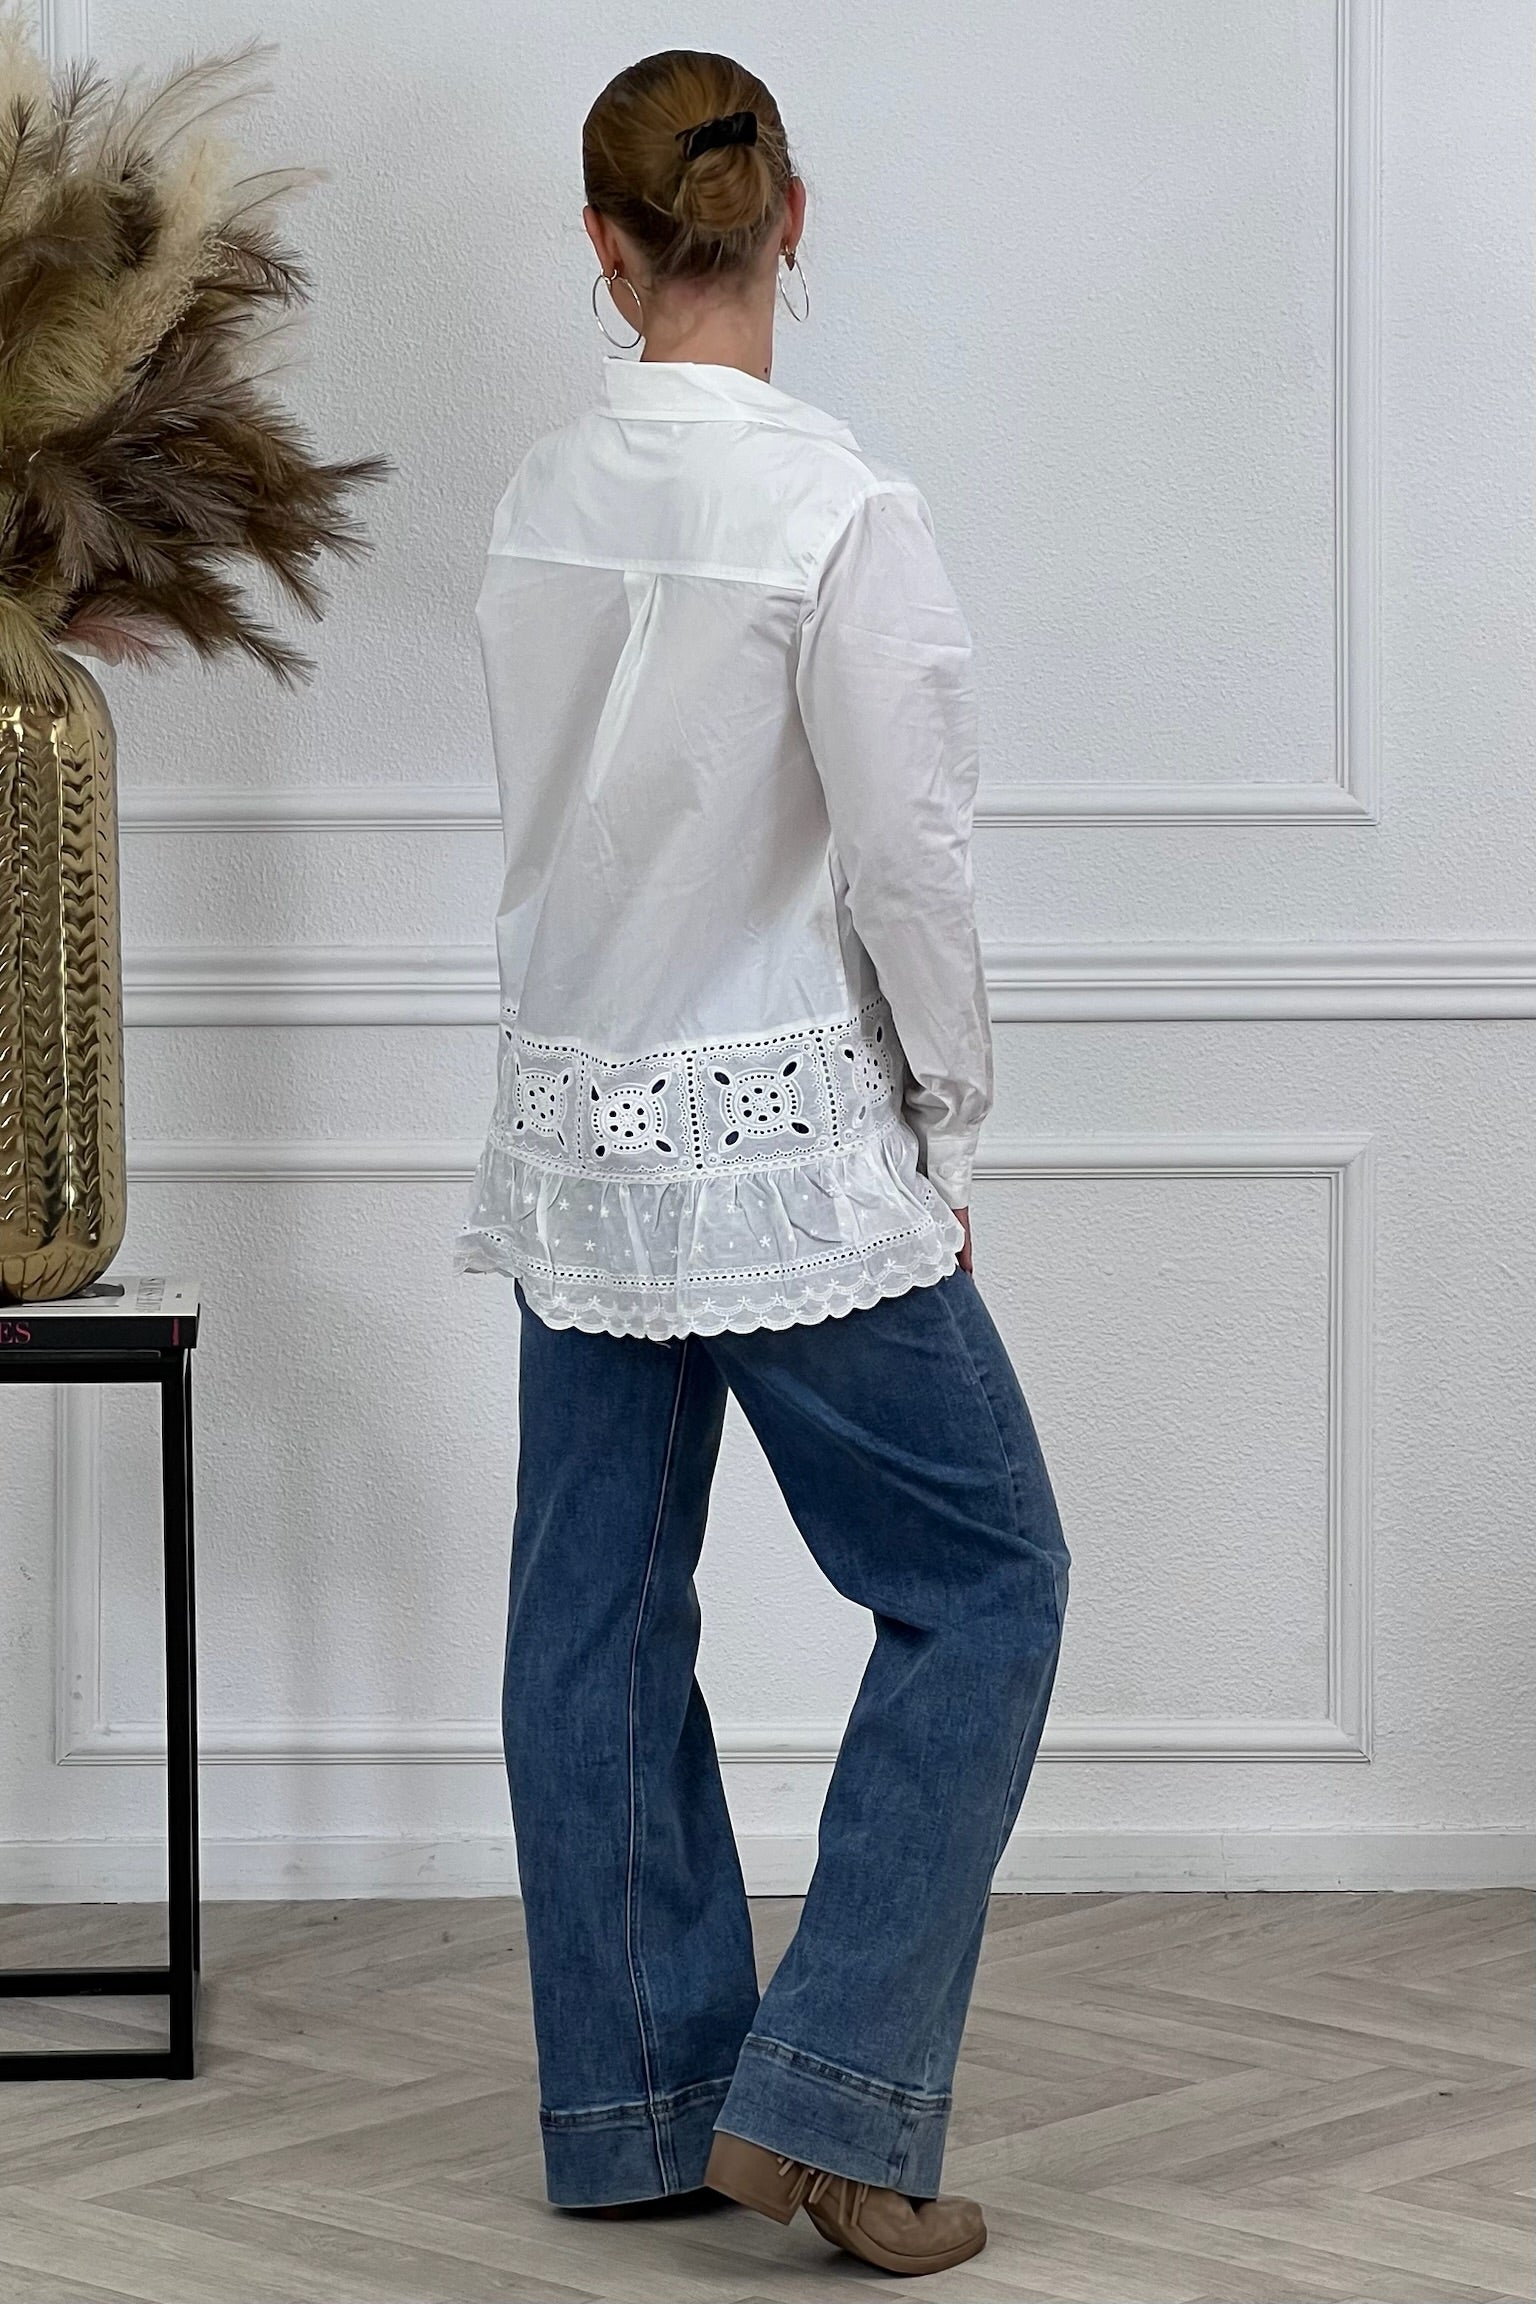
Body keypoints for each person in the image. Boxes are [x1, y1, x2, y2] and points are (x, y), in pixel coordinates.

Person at [454, 47, 1070, 2280]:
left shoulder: (538, 497)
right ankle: (833, 2113)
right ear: (792, 221)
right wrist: (946, 1118)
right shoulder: (839, 512)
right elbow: (911, 866)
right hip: (780, 1127)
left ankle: (642, 2110)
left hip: (578, 1123)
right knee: (991, 1578)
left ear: (603, 248)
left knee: (593, 1618)